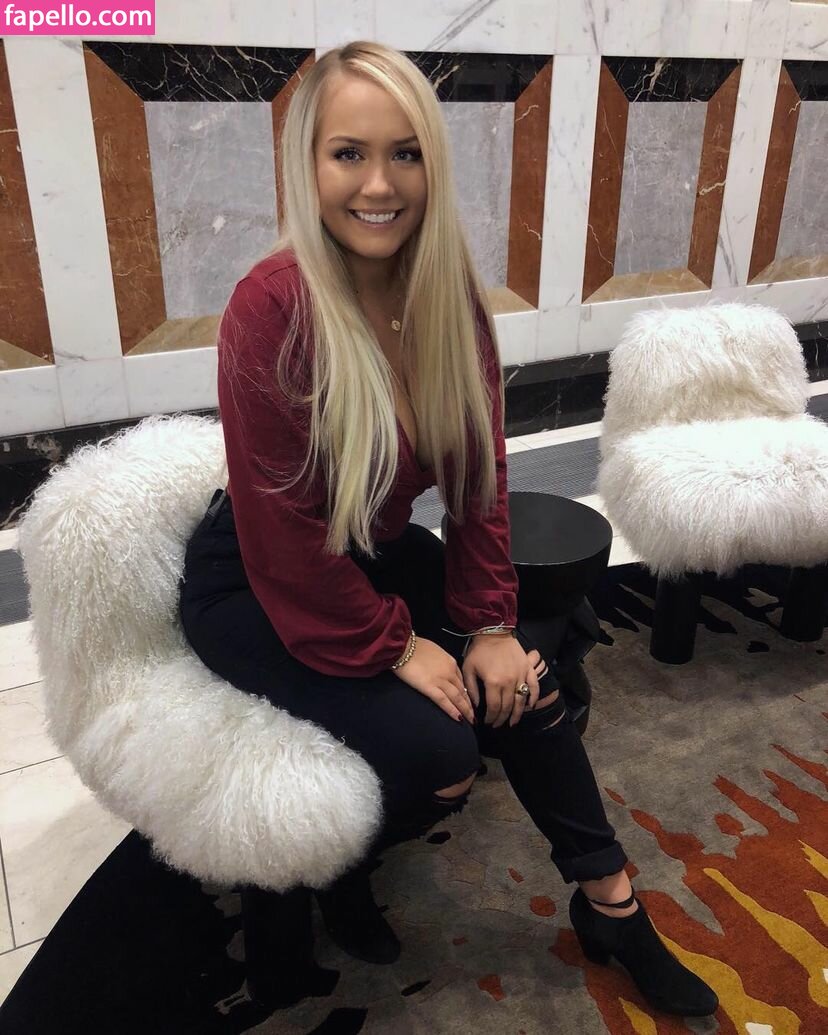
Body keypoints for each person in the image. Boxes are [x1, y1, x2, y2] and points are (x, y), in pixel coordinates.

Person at [178, 41, 718, 1018]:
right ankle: (339, 872)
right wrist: (398, 646)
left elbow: (479, 479)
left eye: (406, 153)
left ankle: (612, 903)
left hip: (372, 552)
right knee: (440, 755)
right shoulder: (271, 307)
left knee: (523, 678)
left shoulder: (447, 296)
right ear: (307, 163)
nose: (379, 184)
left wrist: (488, 625)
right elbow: (284, 533)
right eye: (349, 153)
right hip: (257, 580)